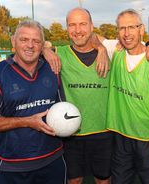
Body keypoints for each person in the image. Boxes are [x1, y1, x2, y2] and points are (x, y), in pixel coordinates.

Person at [0, 20, 66, 184]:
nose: (30, 45)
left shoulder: (53, 69)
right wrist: (27, 122)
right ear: (13, 42)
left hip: (53, 162)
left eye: (36, 41)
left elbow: (62, 108)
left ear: (42, 45)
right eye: (24, 39)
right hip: (12, 167)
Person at [43, 8, 112, 184]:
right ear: (67, 28)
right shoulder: (60, 54)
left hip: (103, 132)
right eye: (72, 25)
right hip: (70, 132)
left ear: (91, 26)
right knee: (74, 181)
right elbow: (29, 47)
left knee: (103, 180)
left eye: (82, 24)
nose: (78, 30)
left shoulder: (110, 53)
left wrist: (102, 48)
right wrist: (45, 49)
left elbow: (139, 47)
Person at [105, 9, 149, 184]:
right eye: (122, 28)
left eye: (131, 27)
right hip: (121, 138)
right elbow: (92, 38)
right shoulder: (114, 52)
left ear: (141, 29)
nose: (126, 33)